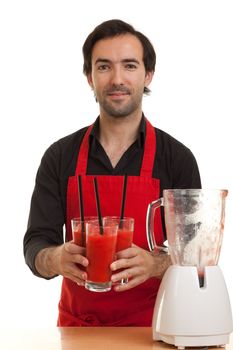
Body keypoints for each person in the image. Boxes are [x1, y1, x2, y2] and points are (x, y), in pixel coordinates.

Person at [24, 19, 201, 326]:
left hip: (157, 328)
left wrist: (156, 264)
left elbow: (197, 255)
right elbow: (36, 244)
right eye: (104, 67)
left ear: (147, 75)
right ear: (90, 77)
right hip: (78, 329)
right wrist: (53, 258)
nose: (117, 79)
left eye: (129, 66)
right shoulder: (59, 156)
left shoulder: (178, 159)